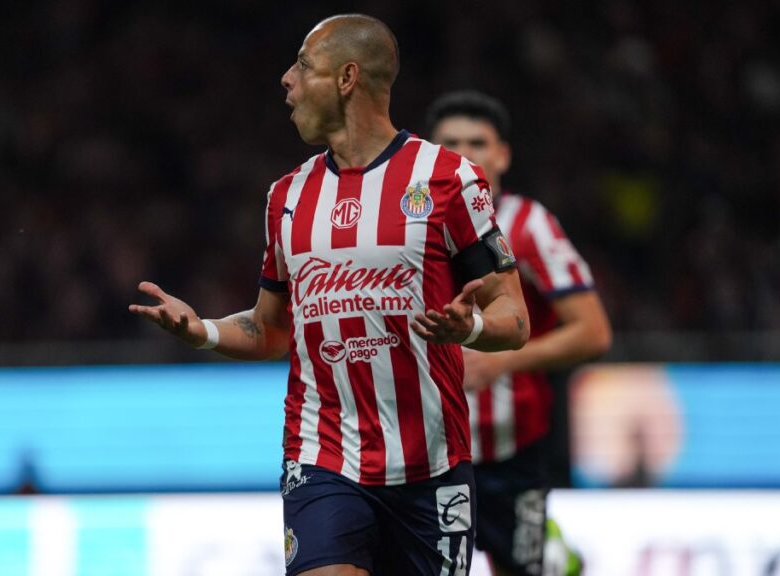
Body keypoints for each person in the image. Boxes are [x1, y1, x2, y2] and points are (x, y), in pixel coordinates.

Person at [129, 15, 530, 576]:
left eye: (303, 65)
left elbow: (514, 316)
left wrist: (472, 330)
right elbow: (272, 329)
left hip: (433, 467)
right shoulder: (286, 198)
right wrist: (202, 331)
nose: (286, 80)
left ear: (346, 78)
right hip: (323, 459)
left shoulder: (448, 180)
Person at [426, 90, 612, 576]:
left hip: (514, 454)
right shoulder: (406, 226)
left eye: (478, 142)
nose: (465, 155)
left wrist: (502, 359)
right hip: (427, 453)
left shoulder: (528, 226)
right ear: (429, 153)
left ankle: (554, 557)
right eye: (450, 143)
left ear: (502, 154)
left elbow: (593, 332)